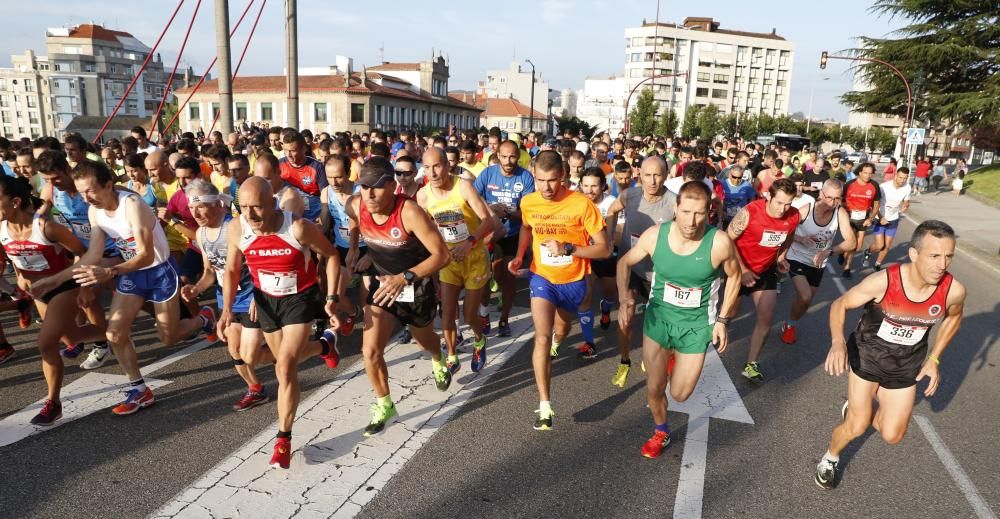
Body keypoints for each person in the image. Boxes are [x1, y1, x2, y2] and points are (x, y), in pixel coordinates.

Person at [815, 220, 966, 489]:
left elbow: (954, 318)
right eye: (934, 256)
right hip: (867, 357)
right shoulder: (884, 281)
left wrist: (934, 359)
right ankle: (830, 458)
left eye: (948, 256)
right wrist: (837, 342)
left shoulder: (953, 290)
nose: (942, 264)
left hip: (905, 365)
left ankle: (859, 408)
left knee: (893, 435)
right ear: (913, 254)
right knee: (857, 426)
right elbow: (840, 304)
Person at [70, 160, 215, 416]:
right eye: (81, 192)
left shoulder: (132, 205)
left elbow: (146, 255)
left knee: (168, 338)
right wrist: (57, 279)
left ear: (107, 185)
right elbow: (93, 253)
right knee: (115, 333)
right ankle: (140, 390)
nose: (85, 197)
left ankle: (202, 319)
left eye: (90, 190)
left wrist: (111, 271)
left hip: (160, 270)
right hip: (132, 273)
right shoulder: (96, 212)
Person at [218, 176, 342, 469]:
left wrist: (333, 296)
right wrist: (225, 310)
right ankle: (324, 346)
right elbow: (233, 270)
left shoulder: (298, 227)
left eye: (257, 207)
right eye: (244, 207)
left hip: (299, 298)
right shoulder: (238, 228)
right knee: (284, 359)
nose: (250, 215)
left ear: (273, 204)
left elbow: (332, 255)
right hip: (266, 301)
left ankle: (283, 439)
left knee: (284, 366)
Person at [616, 181, 740, 458]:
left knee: (680, 394)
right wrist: (625, 298)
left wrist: (722, 319)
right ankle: (661, 431)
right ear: (676, 207)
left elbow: (735, 276)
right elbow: (623, 262)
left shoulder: (718, 242)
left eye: (698, 213)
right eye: (685, 212)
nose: (691, 221)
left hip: (696, 326)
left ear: (708, 211)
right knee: (655, 388)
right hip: (659, 319)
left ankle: (675, 360)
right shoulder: (655, 235)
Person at [342, 157, 452, 437]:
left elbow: (442, 255)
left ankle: (438, 357)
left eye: (376, 187)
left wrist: (406, 276)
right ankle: (385, 403)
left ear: (392, 185)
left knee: (423, 339)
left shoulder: (410, 212)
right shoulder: (356, 204)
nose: (370, 194)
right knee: (369, 350)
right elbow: (354, 220)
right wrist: (357, 249)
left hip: (415, 284)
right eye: (364, 187)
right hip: (382, 285)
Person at [508, 150, 610, 430]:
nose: (546, 187)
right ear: (533, 176)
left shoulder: (581, 205)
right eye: (540, 180)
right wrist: (519, 256)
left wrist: (569, 248)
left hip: (574, 281)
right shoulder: (529, 201)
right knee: (541, 336)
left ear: (563, 177)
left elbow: (604, 248)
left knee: (560, 331)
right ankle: (544, 406)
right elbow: (527, 228)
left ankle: (557, 341)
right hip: (543, 277)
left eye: (552, 180)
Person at [0, 176, 107, 425]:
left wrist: (84, 286)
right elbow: (15, 256)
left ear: (15, 202)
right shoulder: (2, 229)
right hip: (40, 293)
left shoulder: (46, 227)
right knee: (70, 337)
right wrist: (20, 279)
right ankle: (111, 333)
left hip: (64, 287)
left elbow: (82, 253)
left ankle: (53, 403)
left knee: (45, 342)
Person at [180, 180, 270, 412]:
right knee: (235, 351)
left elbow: (261, 262)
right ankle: (255, 389)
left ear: (218, 203)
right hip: (227, 299)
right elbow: (210, 271)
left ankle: (296, 351)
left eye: (201, 206)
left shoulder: (236, 227)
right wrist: (197, 289)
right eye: (191, 208)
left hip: (251, 296)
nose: (196, 212)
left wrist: (259, 295)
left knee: (251, 354)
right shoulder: (200, 234)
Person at [603, 157, 675, 386]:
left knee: (658, 325)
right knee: (626, 316)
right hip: (631, 267)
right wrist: (609, 240)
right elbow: (611, 212)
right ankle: (624, 362)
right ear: (639, 175)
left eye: (657, 175)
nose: (652, 181)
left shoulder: (674, 203)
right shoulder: (630, 196)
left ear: (665, 175)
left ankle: (650, 357)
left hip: (659, 273)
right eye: (647, 175)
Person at [726, 178, 801, 381]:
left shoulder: (794, 216)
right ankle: (717, 328)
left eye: (788, 203)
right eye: (779, 203)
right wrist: (742, 270)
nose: (783, 208)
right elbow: (727, 238)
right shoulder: (750, 212)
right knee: (731, 312)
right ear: (768, 196)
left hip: (765, 271)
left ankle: (751, 364)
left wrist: (781, 257)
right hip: (737, 267)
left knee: (766, 318)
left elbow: (789, 235)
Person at [780, 180, 856, 344]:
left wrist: (829, 251)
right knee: (805, 296)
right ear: (821, 194)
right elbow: (785, 230)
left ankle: (790, 322)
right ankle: (790, 326)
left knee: (806, 302)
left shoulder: (839, 213)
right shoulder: (806, 210)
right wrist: (800, 238)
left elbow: (851, 242)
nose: (833, 202)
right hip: (797, 257)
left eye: (837, 198)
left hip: (818, 263)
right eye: (829, 198)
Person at [474, 140, 535, 337]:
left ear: (518, 156)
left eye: (512, 156)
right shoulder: (487, 174)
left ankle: (504, 320)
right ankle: (484, 314)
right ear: (497, 155)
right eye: (504, 156)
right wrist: (491, 210)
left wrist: (507, 211)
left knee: (507, 279)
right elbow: (472, 199)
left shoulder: (525, 177)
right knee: (486, 277)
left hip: (513, 234)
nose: (508, 161)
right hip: (489, 233)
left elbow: (528, 211)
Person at [320, 154, 365, 334]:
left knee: (366, 292)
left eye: (338, 176)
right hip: (342, 247)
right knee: (336, 295)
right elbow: (325, 223)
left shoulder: (360, 191)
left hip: (366, 247)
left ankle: (370, 327)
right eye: (330, 177)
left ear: (348, 173)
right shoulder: (326, 193)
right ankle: (354, 313)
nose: (334, 181)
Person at [578, 168, 618, 331]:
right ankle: (589, 342)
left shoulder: (611, 202)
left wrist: (606, 242)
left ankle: (606, 308)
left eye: (594, 186)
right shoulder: (577, 201)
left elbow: (619, 230)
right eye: (586, 186)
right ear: (581, 185)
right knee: (585, 296)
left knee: (609, 294)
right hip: (585, 255)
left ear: (602, 186)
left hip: (606, 256)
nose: (589, 190)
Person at [839, 163, 880, 279]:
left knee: (858, 247)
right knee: (852, 244)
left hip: (864, 219)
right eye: (865, 173)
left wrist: (871, 218)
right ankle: (847, 268)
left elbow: (876, 205)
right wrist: (843, 213)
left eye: (870, 173)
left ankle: (842, 251)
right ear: (860, 172)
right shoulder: (849, 185)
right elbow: (840, 201)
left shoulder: (874, 185)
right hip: (849, 218)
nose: (867, 176)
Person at [865, 167, 911, 271]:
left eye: (905, 178)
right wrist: (881, 217)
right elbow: (874, 204)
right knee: (880, 245)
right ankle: (868, 251)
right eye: (900, 177)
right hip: (879, 218)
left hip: (893, 219)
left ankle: (878, 264)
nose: (902, 180)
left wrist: (906, 205)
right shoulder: (883, 187)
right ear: (895, 176)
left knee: (887, 245)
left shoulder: (907, 187)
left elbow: (906, 201)